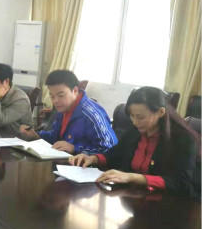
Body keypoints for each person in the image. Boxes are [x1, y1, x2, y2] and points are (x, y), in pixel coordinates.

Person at [69, 86, 200, 196]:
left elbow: (181, 183)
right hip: (134, 198)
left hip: (170, 204)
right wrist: (93, 158)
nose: (135, 122)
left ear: (160, 112)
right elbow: (115, 154)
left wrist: (132, 177)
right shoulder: (135, 131)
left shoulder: (183, 140)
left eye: (140, 117)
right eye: (132, 116)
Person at [20, 70, 117, 155]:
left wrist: (74, 148)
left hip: (86, 168)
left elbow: (110, 149)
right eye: (52, 96)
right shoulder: (63, 108)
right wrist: (36, 135)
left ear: (75, 90)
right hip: (64, 162)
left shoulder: (91, 115)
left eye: (61, 95)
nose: (55, 101)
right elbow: (55, 137)